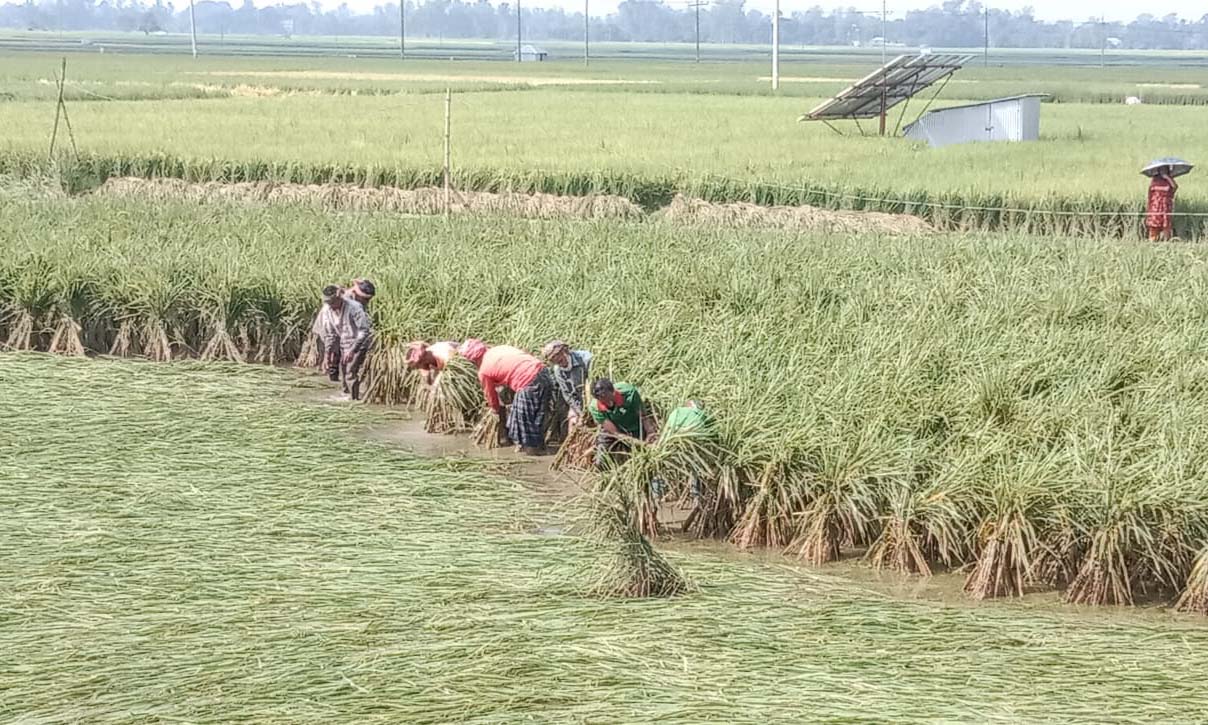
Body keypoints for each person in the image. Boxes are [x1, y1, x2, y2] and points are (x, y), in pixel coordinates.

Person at [466, 342, 553, 456]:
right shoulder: (499, 348)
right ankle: (540, 448)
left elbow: (491, 396)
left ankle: (532, 453)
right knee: (538, 416)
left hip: (527, 382)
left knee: (522, 421)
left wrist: (495, 410)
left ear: (474, 360)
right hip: (544, 372)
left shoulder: (483, 371)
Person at [314, 284, 373, 401]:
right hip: (344, 343)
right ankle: (345, 394)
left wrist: (352, 350)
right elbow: (330, 334)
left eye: (333, 303)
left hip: (359, 342)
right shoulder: (327, 310)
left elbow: (364, 331)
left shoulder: (354, 308)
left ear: (339, 298)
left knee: (350, 371)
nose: (331, 307)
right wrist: (327, 355)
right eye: (328, 304)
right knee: (343, 369)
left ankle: (354, 399)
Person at [590, 378, 657, 469]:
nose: (608, 403)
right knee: (601, 462)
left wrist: (650, 433)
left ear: (613, 392)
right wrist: (643, 444)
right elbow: (616, 433)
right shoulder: (595, 407)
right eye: (603, 401)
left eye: (608, 399)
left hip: (633, 425)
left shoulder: (629, 393)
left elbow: (643, 417)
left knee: (645, 459)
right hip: (613, 431)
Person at [541, 340, 593, 440]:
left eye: (558, 355)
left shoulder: (586, 359)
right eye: (552, 359)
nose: (557, 360)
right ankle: (574, 451)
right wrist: (580, 413)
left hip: (592, 399)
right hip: (578, 401)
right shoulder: (558, 370)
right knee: (573, 421)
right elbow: (567, 394)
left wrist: (590, 408)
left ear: (565, 351)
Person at [1146, 168, 1178, 241]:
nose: (1162, 171)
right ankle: (1152, 242)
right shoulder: (1154, 180)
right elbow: (1150, 193)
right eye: (1161, 169)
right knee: (1154, 226)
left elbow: (1175, 187)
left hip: (1165, 206)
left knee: (1166, 226)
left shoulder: (1169, 180)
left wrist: (1166, 177)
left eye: (1164, 168)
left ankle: (1166, 242)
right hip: (1155, 206)